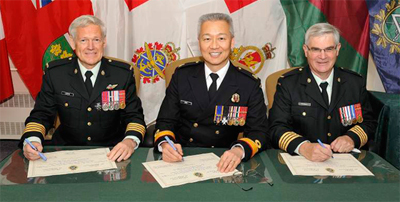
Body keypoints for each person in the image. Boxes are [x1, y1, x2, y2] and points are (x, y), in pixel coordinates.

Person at [154, 13, 270, 172]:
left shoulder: (248, 84)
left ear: (232, 41)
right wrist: (166, 145)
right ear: (199, 42)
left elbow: (259, 131)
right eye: (207, 39)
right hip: (182, 158)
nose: (214, 46)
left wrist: (239, 150)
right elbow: (165, 121)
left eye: (221, 38)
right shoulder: (182, 76)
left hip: (224, 160)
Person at [20, 15, 146, 162]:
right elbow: (41, 114)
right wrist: (33, 140)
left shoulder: (122, 75)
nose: (91, 46)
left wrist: (129, 142)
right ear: (73, 43)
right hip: (66, 151)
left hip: (111, 153)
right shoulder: (56, 74)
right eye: (84, 40)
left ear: (104, 42)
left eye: (96, 40)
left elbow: (134, 117)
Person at [268, 23, 376, 162]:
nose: (323, 56)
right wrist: (303, 147)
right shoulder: (288, 84)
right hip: (302, 161)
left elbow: (369, 122)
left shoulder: (354, 83)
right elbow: (276, 127)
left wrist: (352, 138)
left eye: (329, 49)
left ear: (337, 49)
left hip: (346, 164)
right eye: (316, 50)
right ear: (305, 50)